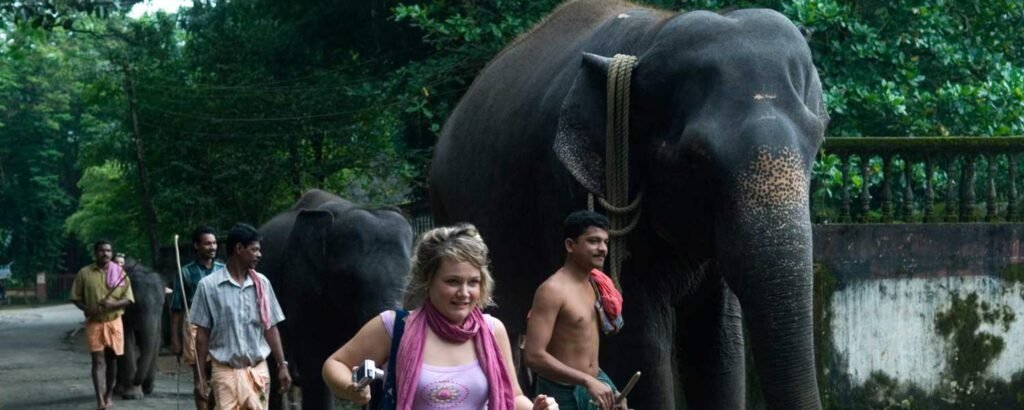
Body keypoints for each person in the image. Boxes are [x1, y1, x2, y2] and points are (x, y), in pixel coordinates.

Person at [322, 224, 558, 410]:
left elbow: (513, 396)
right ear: (428, 281)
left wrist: (537, 409)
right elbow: (336, 364)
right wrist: (350, 388)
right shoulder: (395, 327)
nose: (464, 293)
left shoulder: (492, 330)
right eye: (452, 281)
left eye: (473, 282)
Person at [524, 211, 625, 410]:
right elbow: (533, 356)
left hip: (595, 386)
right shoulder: (552, 291)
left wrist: (608, 388)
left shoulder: (595, 284)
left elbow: (583, 352)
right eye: (594, 241)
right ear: (570, 245)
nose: (603, 249)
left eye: (605, 242)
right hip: (561, 394)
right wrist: (587, 381)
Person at [190, 223, 291, 409]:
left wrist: (282, 365)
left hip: (258, 372)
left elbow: (270, 328)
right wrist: (200, 378)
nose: (259, 255)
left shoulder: (262, 284)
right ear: (238, 249)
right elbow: (202, 336)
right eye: (254, 250)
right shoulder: (209, 286)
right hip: (225, 373)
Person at [70, 239, 135, 410]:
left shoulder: (119, 272)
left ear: (111, 253)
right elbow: (75, 297)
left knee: (112, 361)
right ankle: (100, 400)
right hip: (94, 322)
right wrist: (86, 309)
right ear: (95, 253)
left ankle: (108, 396)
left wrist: (113, 305)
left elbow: (128, 299)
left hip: (114, 322)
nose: (105, 253)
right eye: (101, 250)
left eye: (108, 250)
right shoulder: (84, 273)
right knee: (98, 361)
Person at [171, 225, 225, 410]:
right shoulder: (185, 272)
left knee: (219, 378)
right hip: (194, 325)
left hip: (219, 326)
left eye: (214, 243)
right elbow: (177, 308)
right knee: (200, 378)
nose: (212, 247)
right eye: (207, 243)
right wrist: (175, 339)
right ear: (196, 246)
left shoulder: (223, 269)